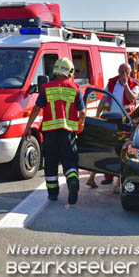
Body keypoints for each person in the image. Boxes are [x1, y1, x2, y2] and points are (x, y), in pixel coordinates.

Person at [22, 57, 86, 204]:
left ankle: (53, 193)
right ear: (69, 72)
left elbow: (37, 108)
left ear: (55, 71)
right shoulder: (75, 88)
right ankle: (72, 182)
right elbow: (82, 112)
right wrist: (80, 126)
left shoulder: (46, 88)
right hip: (68, 133)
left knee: (50, 162)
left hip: (50, 133)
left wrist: (27, 127)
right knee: (69, 161)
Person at [89, 63, 139, 191]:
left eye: (126, 72)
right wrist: (97, 115)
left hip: (125, 122)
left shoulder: (134, 84)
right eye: (121, 72)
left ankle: (117, 182)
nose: (123, 75)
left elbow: (132, 98)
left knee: (121, 150)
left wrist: (126, 85)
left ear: (130, 73)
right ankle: (95, 177)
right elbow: (104, 99)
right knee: (106, 147)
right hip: (110, 119)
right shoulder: (112, 83)